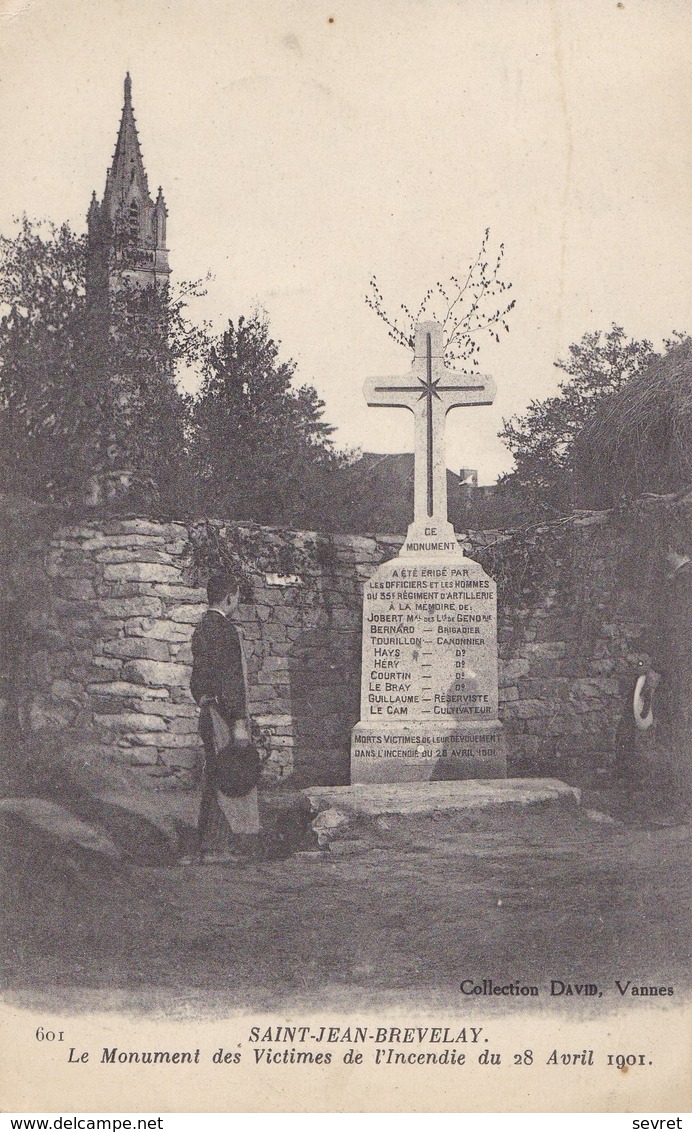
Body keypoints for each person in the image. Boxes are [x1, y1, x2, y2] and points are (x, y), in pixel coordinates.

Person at [187, 573, 261, 863]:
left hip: (208, 710)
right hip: (224, 714)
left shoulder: (201, 628)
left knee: (215, 773)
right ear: (229, 597)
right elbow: (231, 681)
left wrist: (203, 699)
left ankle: (209, 844)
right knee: (231, 774)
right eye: (237, 597)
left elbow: (196, 680)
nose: (237, 602)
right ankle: (222, 845)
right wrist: (239, 723)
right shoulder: (225, 631)